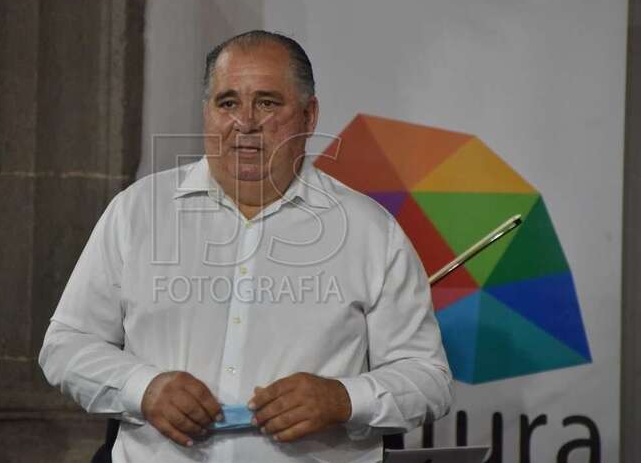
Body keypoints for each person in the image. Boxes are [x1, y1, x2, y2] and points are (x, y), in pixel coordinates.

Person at [39, 30, 452, 462]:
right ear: (207, 113)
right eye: (228, 103)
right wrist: (143, 388)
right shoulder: (137, 212)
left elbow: (429, 380)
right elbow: (66, 346)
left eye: (268, 103)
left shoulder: (370, 231)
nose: (246, 122)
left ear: (309, 116)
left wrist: (344, 399)